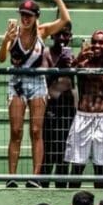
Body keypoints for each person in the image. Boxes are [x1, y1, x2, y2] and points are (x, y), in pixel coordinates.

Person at [0, 0, 71, 188]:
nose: (25, 18)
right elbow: (2, 58)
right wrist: (5, 40)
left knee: (36, 131)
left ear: (36, 17)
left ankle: (35, 176)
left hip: (37, 82)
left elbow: (65, 19)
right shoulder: (14, 33)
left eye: (29, 15)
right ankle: (11, 177)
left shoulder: (42, 32)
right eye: (23, 14)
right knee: (16, 131)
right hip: (17, 82)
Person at [63, 30, 103, 189]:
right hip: (83, 116)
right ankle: (73, 198)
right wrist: (80, 57)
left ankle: (101, 199)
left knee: (100, 167)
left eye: (101, 42)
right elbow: (68, 72)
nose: (97, 45)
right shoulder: (83, 63)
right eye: (94, 42)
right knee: (77, 165)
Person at [40, 23, 75, 187]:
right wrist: (59, 66)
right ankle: (43, 184)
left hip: (68, 107)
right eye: (59, 34)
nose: (62, 38)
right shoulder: (46, 53)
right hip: (51, 106)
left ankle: (61, 185)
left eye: (66, 35)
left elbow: (73, 84)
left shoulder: (71, 54)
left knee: (64, 151)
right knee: (48, 150)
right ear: (52, 35)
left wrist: (76, 63)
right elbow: (44, 79)